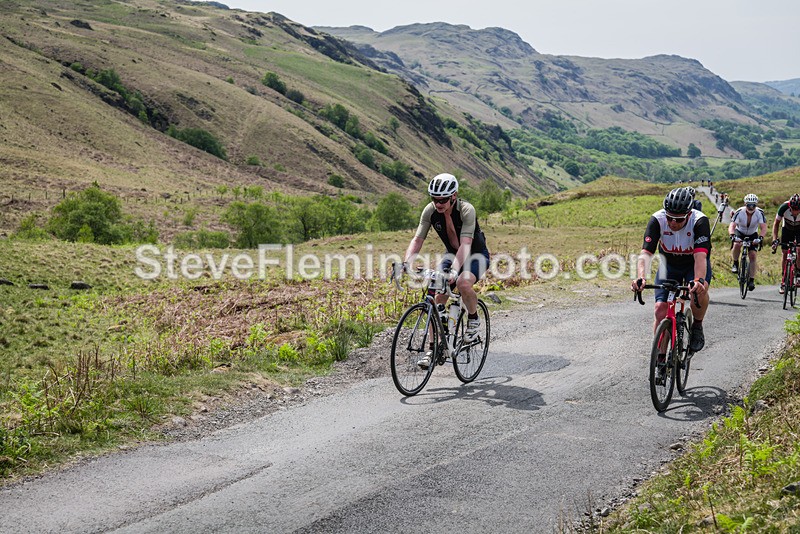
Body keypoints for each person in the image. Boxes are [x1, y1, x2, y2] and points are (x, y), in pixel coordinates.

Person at [401, 173, 490, 367]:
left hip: (475, 254)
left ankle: (473, 319)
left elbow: (466, 245)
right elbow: (417, 239)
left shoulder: (467, 210)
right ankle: (433, 350)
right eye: (434, 199)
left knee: (462, 282)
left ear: (454, 196)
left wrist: (454, 271)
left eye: (442, 200)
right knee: (436, 298)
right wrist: (406, 262)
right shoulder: (430, 211)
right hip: (451, 255)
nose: (438, 203)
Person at [631, 187, 711, 352]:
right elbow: (646, 253)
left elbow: (700, 258)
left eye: (679, 219)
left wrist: (698, 281)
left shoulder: (699, 221)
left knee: (699, 292)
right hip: (669, 265)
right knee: (660, 309)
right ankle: (660, 358)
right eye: (670, 217)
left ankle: (697, 326)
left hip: (692, 264)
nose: (673, 222)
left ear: (688, 214)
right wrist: (640, 277)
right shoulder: (657, 219)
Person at [728, 194, 767, 291]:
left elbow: (763, 227)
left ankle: (751, 280)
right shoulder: (739, 212)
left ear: (756, 205)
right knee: (737, 244)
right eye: (749, 205)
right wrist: (732, 235)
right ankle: (735, 263)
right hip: (740, 231)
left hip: (753, 233)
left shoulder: (759, 212)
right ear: (745, 204)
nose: (751, 207)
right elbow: (732, 225)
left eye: (753, 205)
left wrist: (761, 238)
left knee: (753, 255)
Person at [771, 193, 800, 294]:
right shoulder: (783, 207)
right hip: (786, 229)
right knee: (784, 253)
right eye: (793, 209)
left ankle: (798, 273)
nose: (795, 212)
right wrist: (775, 239)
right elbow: (776, 224)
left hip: (799, 230)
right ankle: (783, 281)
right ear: (790, 207)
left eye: (797, 210)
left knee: (799, 249)